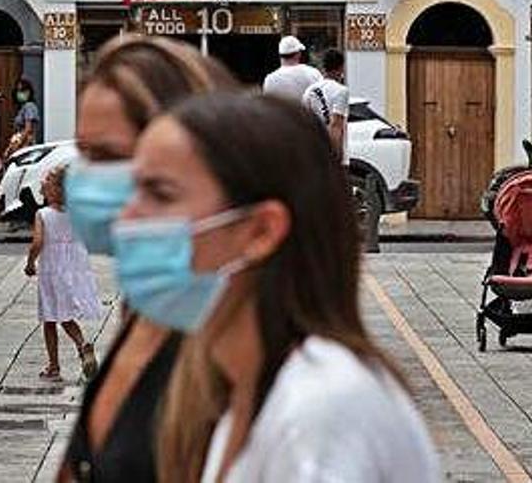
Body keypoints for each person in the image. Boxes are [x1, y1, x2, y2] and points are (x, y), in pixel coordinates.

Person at [104, 93, 439, 482]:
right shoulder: (245, 390)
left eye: (161, 194)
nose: (127, 217)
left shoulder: (320, 410)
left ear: (261, 231)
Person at [59, 35, 239, 482]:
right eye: (84, 153)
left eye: (108, 157)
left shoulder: (239, 341)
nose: (85, 179)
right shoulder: (149, 304)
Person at [25, 166, 99, 382]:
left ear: (54, 189)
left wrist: (30, 262)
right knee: (66, 316)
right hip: (73, 270)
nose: (42, 181)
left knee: (50, 319)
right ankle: (82, 345)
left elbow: (38, 242)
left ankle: (54, 365)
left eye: (47, 179)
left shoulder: (43, 214)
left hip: (51, 272)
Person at [303, 48, 350, 166]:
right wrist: (336, 157)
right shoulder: (341, 91)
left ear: (323, 68)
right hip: (330, 154)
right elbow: (335, 125)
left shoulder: (309, 90)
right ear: (340, 68)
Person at [262, 35, 323, 102]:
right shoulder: (313, 73)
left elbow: (269, 106)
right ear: (299, 54)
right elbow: (322, 101)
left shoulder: (270, 79)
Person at [4, 77, 39, 159]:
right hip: (19, 141)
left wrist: (18, 144)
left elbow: (28, 129)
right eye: (19, 91)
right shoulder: (22, 108)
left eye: (24, 90)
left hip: (25, 143)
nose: (21, 93)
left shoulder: (29, 106)